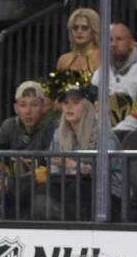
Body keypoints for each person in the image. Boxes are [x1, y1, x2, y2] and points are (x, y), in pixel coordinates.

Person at [0, 80, 57, 219]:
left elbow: (51, 167)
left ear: (43, 106)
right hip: (11, 184)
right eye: (23, 105)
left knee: (41, 196)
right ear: (16, 108)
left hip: (38, 185)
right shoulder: (8, 126)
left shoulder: (52, 128)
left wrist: (16, 183)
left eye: (34, 105)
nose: (28, 111)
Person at [48, 82, 122, 220]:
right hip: (70, 184)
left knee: (75, 190)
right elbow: (53, 165)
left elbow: (104, 172)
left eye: (76, 103)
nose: (69, 107)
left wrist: (74, 165)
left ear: (88, 107)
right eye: (65, 103)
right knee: (44, 191)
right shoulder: (59, 134)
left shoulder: (104, 136)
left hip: (108, 191)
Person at [91, 23, 137, 133]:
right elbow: (93, 108)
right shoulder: (100, 72)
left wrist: (114, 134)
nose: (113, 44)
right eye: (110, 40)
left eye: (119, 39)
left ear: (131, 43)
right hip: (104, 138)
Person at [56, 8, 100, 75]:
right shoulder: (63, 60)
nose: (79, 31)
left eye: (85, 28)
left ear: (94, 31)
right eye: (75, 28)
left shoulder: (103, 58)